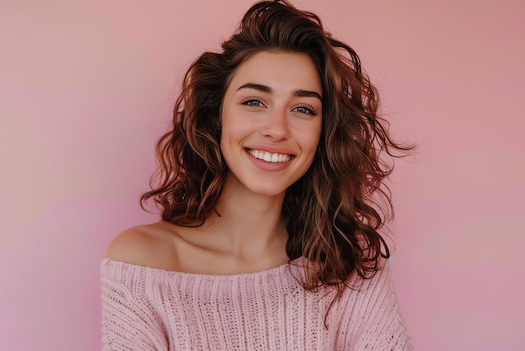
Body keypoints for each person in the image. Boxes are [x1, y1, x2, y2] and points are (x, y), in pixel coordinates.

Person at [101, 0, 414, 350]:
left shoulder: (348, 267)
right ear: (216, 115)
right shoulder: (143, 266)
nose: (277, 129)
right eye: (254, 102)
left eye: (303, 109)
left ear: (324, 133)